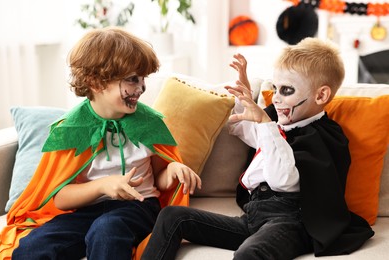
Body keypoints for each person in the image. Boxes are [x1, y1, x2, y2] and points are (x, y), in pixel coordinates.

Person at [141, 37, 374, 260]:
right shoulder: (275, 119)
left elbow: (282, 180)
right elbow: (243, 129)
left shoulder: (325, 135)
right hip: (254, 216)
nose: (277, 99)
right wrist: (245, 98)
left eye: (287, 90)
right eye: (275, 88)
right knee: (174, 217)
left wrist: (265, 124)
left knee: (250, 255)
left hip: (292, 222)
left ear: (321, 95)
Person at [0, 27, 201, 260]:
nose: (141, 88)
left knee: (107, 231)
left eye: (143, 78)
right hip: (86, 211)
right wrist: (103, 186)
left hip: (139, 207)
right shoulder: (71, 129)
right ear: (95, 82)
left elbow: (159, 178)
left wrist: (172, 171)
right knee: (32, 247)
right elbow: (61, 199)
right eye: (132, 79)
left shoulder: (149, 123)